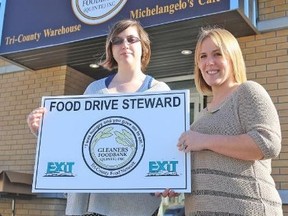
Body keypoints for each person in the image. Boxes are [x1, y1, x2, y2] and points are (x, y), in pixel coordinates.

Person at [27, 19, 171, 216]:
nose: (125, 45)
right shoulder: (95, 90)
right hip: (90, 204)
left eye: (131, 39)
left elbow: (166, 147)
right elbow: (78, 141)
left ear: (143, 47)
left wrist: (170, 178)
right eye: (117, 41)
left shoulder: (160, 92)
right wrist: (44, 133)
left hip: (136, 206)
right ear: (110, 49)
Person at [176, 27, 283, 215]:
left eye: (217, 54)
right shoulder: (202, 115)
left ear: (232, 57)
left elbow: (268, 143)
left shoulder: (247, 91)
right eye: (203, 56)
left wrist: (204, 140)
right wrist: (174, 183)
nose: (209, 62)